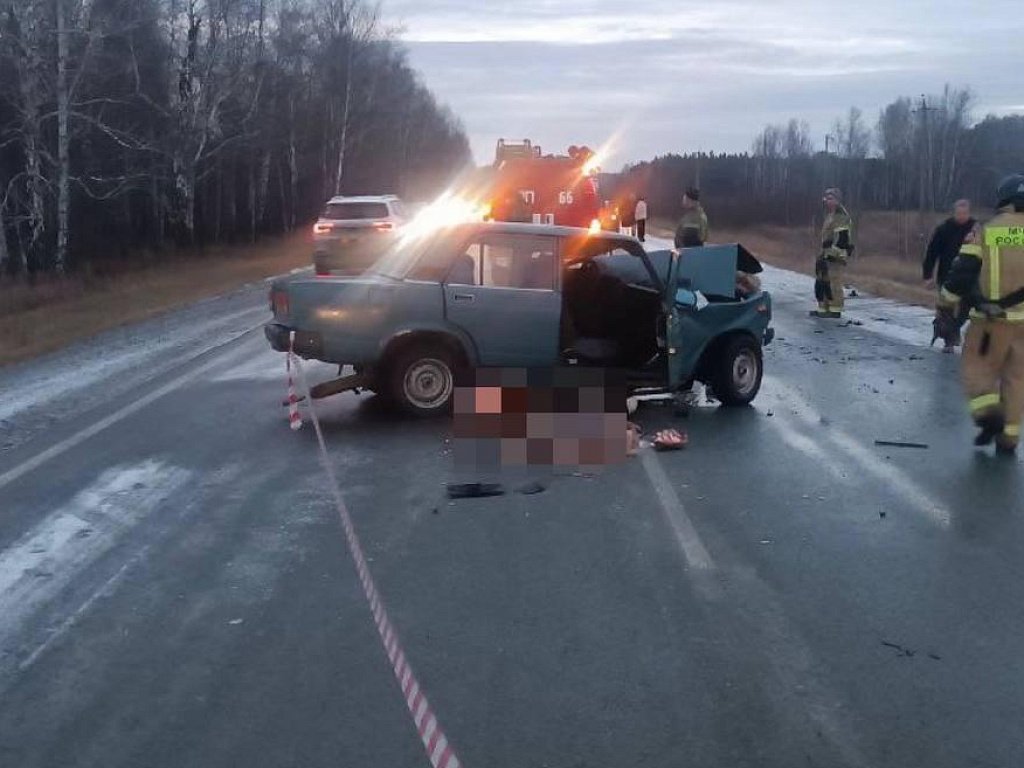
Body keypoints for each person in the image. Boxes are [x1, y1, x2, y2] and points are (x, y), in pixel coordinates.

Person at [938, 174, 1024, 455]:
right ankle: (1009, 440)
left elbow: (961, 274)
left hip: (990, 323)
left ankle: (990, 416)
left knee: (977, 373)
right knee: (1016, 381)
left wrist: (946, 305)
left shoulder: (985, 231)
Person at [925, 200, 976, 351]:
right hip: (947, 276)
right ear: (954, 213)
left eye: (964, 213)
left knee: (965, 311)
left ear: (969, 213)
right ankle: (949, 341)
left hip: (970, 278)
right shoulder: (944, 229)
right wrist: (927, 275)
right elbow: (932, 253)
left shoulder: (976, 229)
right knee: (946, 311)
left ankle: (958, 332)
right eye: (959, 213)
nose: (962, 216)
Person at [810, 188, 854, 319]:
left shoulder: (841, 216)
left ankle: (835, 309)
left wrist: (833, 253)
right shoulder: (830, 215)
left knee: (834, 281)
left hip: (835, 255)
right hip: (825, 252)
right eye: (826, 198)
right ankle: (823, 308)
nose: (827, 201)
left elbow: (842, 238)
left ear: (837, 200)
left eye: (830, 199)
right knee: (821, 280)